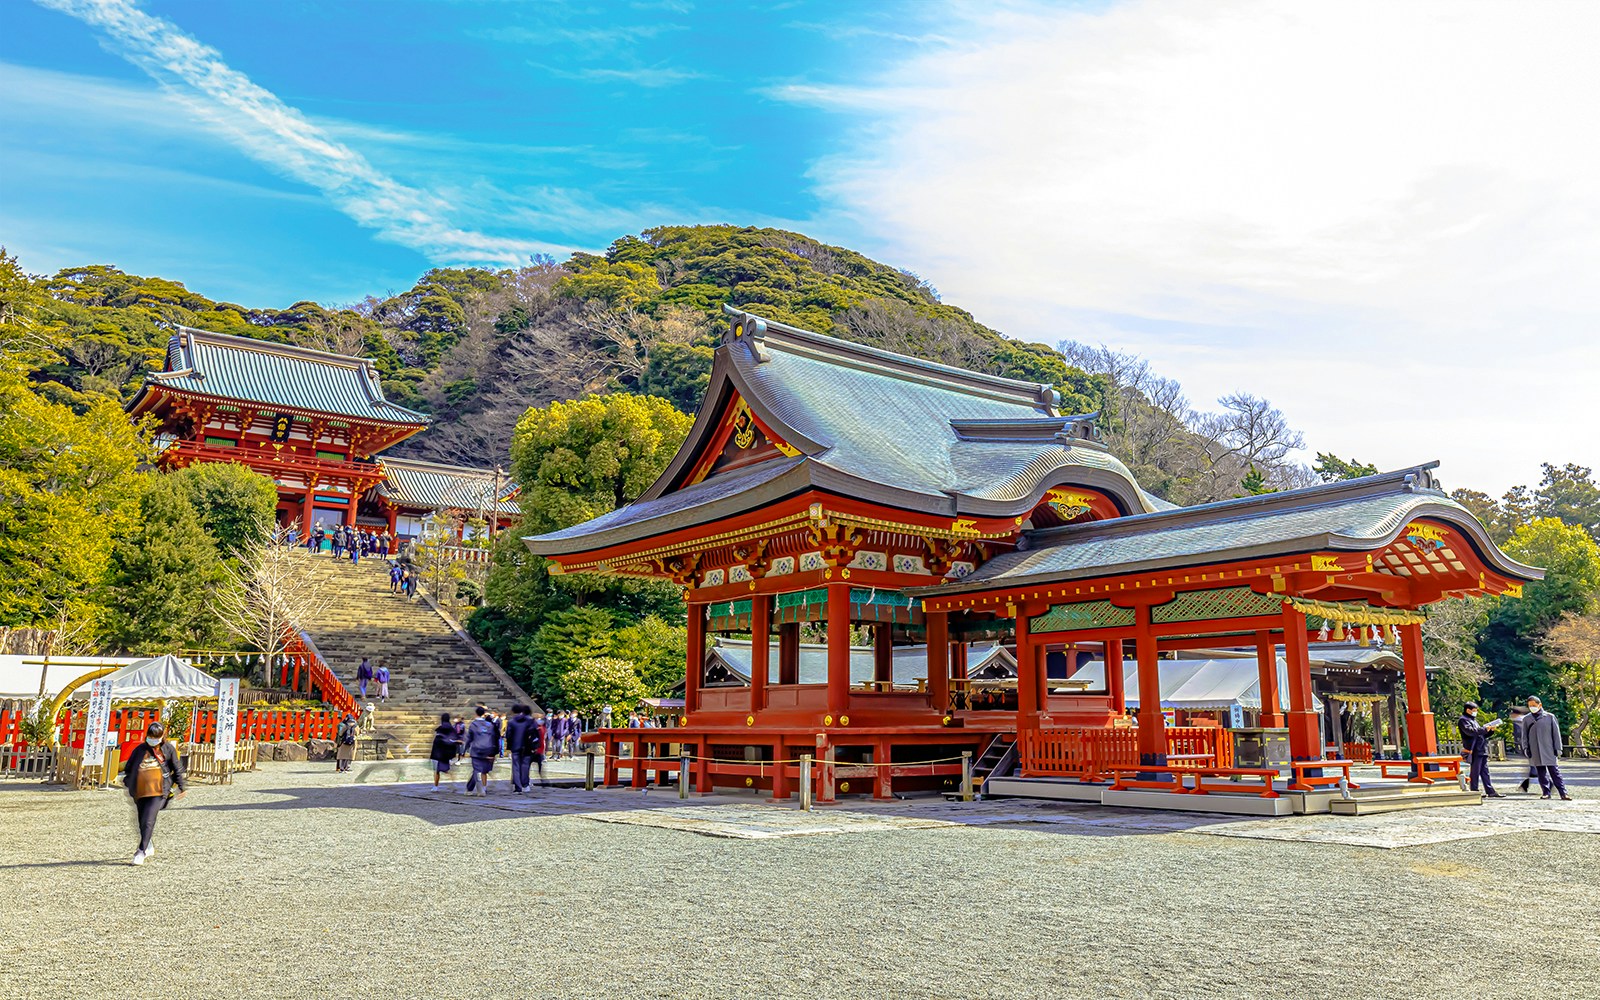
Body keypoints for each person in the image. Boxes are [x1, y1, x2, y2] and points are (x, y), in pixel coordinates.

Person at [121, 721, 186, 865]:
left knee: (149, 819)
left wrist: (181, 785)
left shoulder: (168, 749)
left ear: (162, 736)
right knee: (142, 821)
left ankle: (141, 851)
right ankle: (148, 843)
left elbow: (176, 767)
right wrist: (128, 782)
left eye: (156, 737)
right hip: (140, 791)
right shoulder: (139, 750)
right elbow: (129, 767)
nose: (153, 739)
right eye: (151, 736)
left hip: (159, 791)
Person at [1523, 696, 1571, 800]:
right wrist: (1526, 748)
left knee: (1555, 772)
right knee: (1541, 773)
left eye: (1534, 705)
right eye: (1530, 705)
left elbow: (1556, 734)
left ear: (1540, 705)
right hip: (1535, 749)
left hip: (1549, 749)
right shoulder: (1527, 719)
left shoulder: (1550, 717)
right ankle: (1546, 792)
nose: (1532, 707)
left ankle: (1563, 793)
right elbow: (1524, 735)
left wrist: (1558, 748)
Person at [1456, 702, 1503, 798]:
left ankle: (1490, 790)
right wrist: (1485, 729)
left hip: (1481, 748)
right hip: (1474, 749)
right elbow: (1471, 732)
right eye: (1474, 710)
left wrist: (1490, 731)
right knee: (1475, 771)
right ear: (1468, 710)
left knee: (1485, 771)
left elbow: (1481, 734)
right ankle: (1474, 790)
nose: (1475, 712)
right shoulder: (1463, 720)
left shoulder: (1473, 720)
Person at [463, 705, 501, 796]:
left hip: (477, 749)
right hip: (488, 748)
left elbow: (469, 738)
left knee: (477, 770)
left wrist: (464, 750)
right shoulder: (489, 725)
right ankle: (469, 788)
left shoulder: (473, 725)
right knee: (481, 769)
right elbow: (494, 737)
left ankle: (480, 789)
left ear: (476, 714)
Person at [505, 704, 538, 793]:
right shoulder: (530, 720)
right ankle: (525, 784)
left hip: (515, 747)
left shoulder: (511, 722)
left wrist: (510, 745)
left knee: (516, 767)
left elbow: (508, 735)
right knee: (525, 766)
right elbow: (535, 733)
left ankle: (518, 787)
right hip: (527, 746)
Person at [1510, 707, 1541, 793]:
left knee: (1535, 769)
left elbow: (1523, 736)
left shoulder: (1521, 722)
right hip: (1531, 747)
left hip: (1530, 747)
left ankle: (1549, 784)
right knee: (1533, 769)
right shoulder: (1525, 720)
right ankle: (1524, 786)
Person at [429, 712, 461, 789]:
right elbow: (454, 740)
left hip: (438, 752)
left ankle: (435, 786)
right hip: (447, 753)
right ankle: (453, 782)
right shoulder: (452, 729)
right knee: (446, 769)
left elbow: (436, 741)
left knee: (437, 770)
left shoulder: (440, 729)